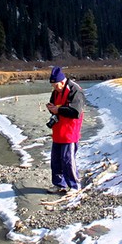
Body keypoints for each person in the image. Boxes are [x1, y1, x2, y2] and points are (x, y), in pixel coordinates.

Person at [46, 66, 85, 194]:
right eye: (53, 85)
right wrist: (51, 108)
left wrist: (58, 110)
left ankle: (74, 185)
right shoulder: (56, 91)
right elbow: (55, 107)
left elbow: (76, 112)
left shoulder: (75, 90)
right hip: (58, 131)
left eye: (55, 85)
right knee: (55, 159)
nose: (54, 88)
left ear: (62, 82)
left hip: (70, 132)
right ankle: (59, 184)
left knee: (67, 159)